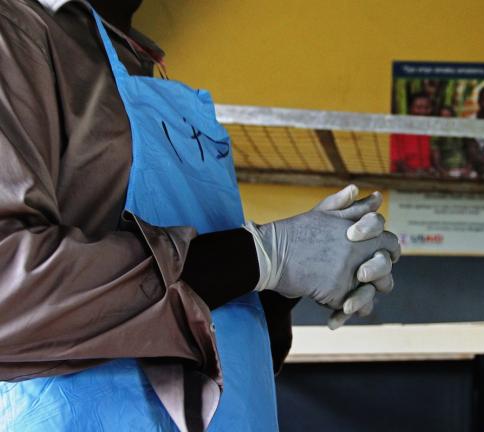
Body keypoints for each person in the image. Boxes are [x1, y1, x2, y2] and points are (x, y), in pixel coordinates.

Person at [0, 1, 400, 430]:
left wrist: (287, 279)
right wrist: (261, 257)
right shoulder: (15, 31)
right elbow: (10, 299)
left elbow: (189, 326)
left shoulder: (134, 57)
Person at [390, 91, 434, 174]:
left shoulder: (432, 130)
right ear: (410, 108)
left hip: (427, 178)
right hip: (401, 177)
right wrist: (414, 175)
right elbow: (397, 160)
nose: (423, 111)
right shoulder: (399, 129)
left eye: (427, 108)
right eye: (419, 107)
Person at [430, 106, 474, 179]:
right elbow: (436, 160)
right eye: (443, 117)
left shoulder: (461, 133)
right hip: (447, 171)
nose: (446, 120)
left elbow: (471, 152)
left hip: (464, 170)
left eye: (448, 117)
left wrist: (468, 169)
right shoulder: (436, 136)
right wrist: (445, 173)